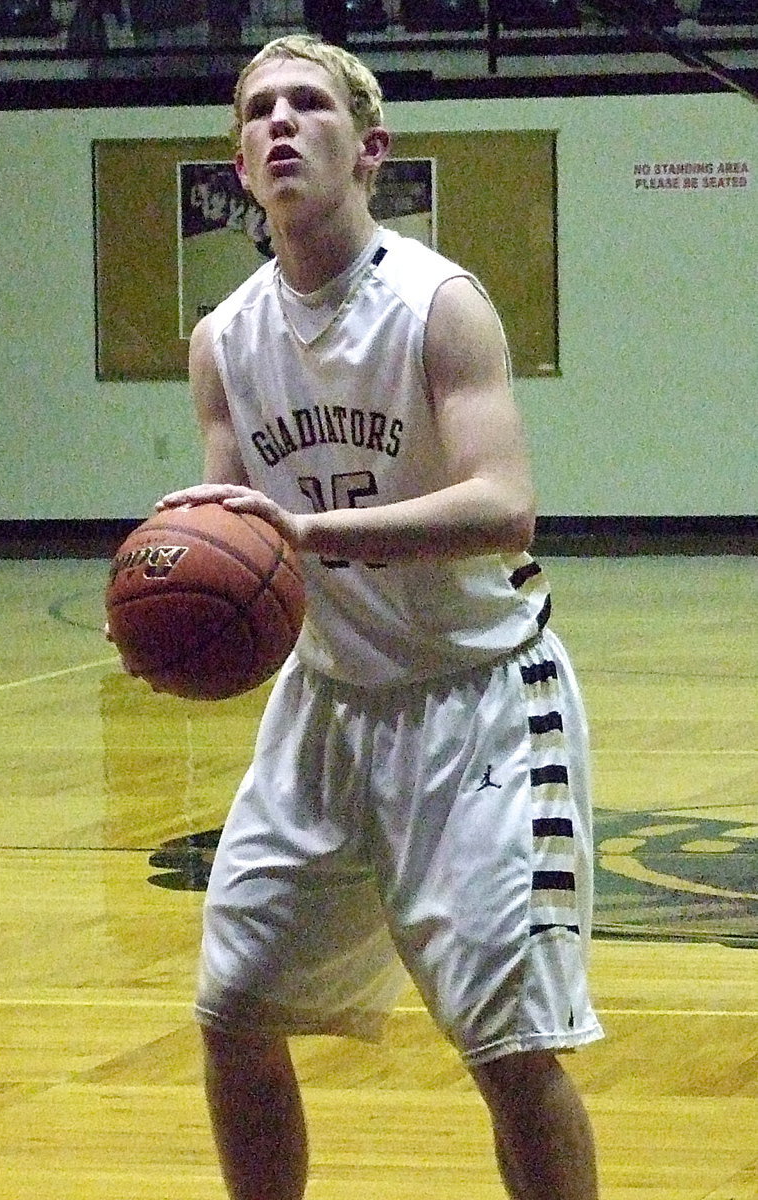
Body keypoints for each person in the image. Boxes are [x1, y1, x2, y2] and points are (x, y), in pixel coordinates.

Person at [151, 33, 604, 1200]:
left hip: (481, 700)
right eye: (258, 113)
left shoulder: (437, 305)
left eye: (310, 105)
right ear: (241, 166)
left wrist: (313, 538)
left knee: (511, 1051)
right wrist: (179, 625)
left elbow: (507, 505)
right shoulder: (222, 342)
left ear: (373, 149)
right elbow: (233, 540)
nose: (282, 125)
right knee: (233, 1007)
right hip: (329, 706)